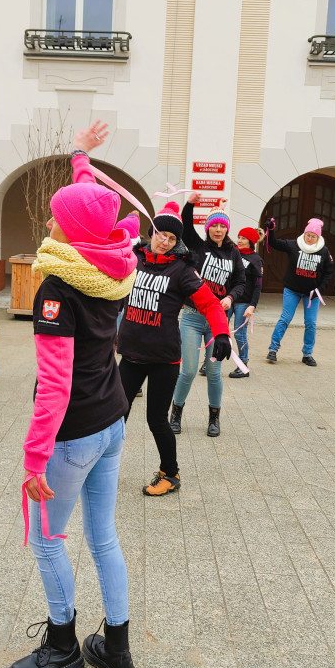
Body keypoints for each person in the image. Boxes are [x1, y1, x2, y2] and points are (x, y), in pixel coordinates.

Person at [9, 121, 138, 668]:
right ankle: (118, 651)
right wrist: (81, 156)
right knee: (103, 535)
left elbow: (54, 385)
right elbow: (92, 205)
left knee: (47, 538)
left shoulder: (58, 285)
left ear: (70, 227)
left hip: (75, 430)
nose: (48, 221)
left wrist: (35, 459)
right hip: (111, 418)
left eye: (56, 216)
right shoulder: (111, 260)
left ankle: (63, 647)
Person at [118, 201, 231, 497]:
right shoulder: (133, 259)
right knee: (115, 415)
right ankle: (100, 467)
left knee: (157, 419)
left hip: (163, 360)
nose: (165, 241)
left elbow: (209, 303)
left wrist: (221, 333)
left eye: (171, 238)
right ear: (151, 232)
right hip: (130, 355)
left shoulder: (182, 271)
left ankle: (171, 474)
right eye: (160, 234)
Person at [171, 195, 246, 438]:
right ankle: (176, 413)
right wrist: (191, 204)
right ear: (208, 228)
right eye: (214, 225)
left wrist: (231, 298)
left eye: (222, 225)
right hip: (192, 317)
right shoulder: (197, 246)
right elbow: (184, 222)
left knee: (214, 373)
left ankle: (214, 418)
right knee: (189, 370)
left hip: (217, 319)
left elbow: (241, 282)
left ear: (227, 229)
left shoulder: (234, 253)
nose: (218, 229)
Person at [264, 217, 334, 367]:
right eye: (308, 235)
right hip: (292, 290)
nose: (309, 239)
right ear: (304, 234)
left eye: (313, 236)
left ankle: (307, 354)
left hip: (312, 294)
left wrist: (320, 290)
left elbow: (329, 272)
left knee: (310, 323)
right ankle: (273, 349)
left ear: (318, 237)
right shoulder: (294, 245)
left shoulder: (323, 251)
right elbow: (274, 243)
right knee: (285, 319)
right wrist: (271, 230)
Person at [228, 226, 263, 378]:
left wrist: (252, 305)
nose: (240, 241)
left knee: (239, 334)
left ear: (251, 241)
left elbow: (258, 285)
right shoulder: (232, 253)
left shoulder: (256, 260)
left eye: (244, 238)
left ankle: (242, 365)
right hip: (228, 298)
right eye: (239, 237)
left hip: (244, 301)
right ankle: (209, 363)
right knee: (216, 330)